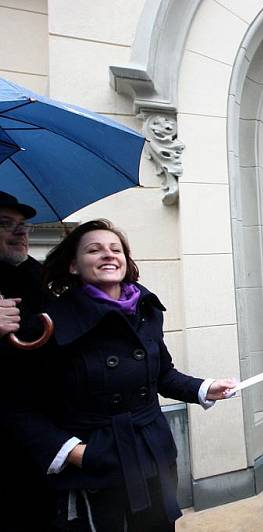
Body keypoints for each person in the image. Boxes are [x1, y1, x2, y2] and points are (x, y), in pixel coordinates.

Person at [13, 219, 236, 531]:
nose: (108, 255)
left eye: (115, 249)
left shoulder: (146, 310)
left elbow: (164, 376)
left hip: (151, 456)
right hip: (94, 469)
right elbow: (20, 408)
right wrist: (75, 453)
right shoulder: (49, 324)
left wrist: (205, 388)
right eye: (94, 250)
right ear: (74, 266)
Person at [0, 191, 58, 531]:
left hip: (43, 429)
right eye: (6, 224)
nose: (20, 232)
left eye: (23, 225)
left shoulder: (42, 275)